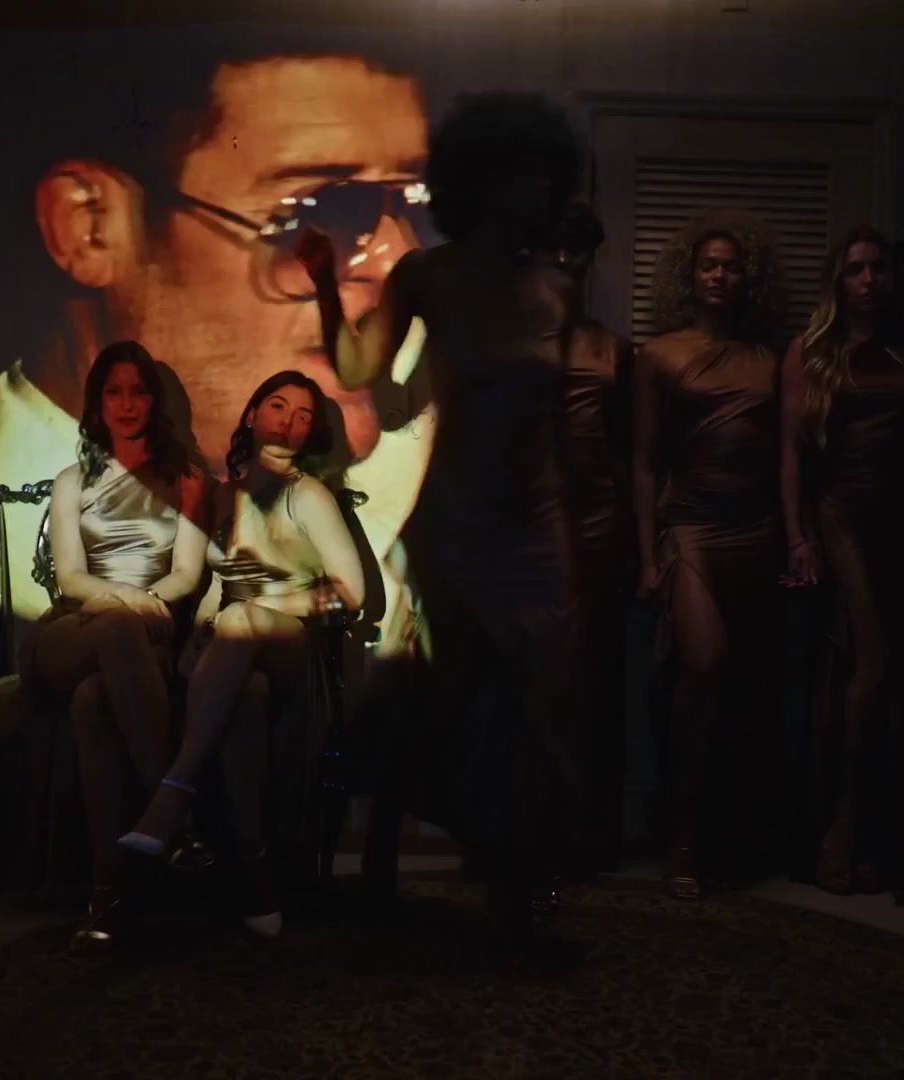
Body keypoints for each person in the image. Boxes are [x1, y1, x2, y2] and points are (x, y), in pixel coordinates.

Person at [0, 52, 435, 653]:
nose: (397, 260)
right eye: (327, 211)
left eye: (417, 204)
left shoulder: (335, 501)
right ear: (92, 228)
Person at [296, 91, 594, 942]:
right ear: (480, 179)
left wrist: (570, 532)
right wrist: (325, 286)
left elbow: (555, 427)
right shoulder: (429, 276)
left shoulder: (557, 287)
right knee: (451, 698)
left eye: (545, 176)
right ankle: (387, 840)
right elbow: (359, 368)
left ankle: (515, 890)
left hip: (534, 524)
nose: (536, 190)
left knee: (541, 705)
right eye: (519, 174)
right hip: (457, 522)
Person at [119, 371, 368, 940]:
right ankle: (254, 869)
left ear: (310, 433)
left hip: (293, 646)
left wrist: (266, 605)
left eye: (302, 416)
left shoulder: (308, 495)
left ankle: (173, 796)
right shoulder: (225, 494)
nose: (287, 421)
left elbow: (350, 593)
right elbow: (218, 584)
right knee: (246, 690)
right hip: (238, 652)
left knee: (241, 621)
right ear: (252, 415)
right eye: (277, 407)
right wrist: (198, 636)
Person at [781, 226, 904, 899]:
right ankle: (840, 824)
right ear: (838, 280)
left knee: (894, 680)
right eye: (856, 269)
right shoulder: (811, 353)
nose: (869, 280)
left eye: (879, 268)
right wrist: (797, 536)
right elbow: (791, 453)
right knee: (867, 664)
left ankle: (880, 840)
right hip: (841, 518)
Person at [29, 341, 207, 953]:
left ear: (153, 402)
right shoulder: (72, 481)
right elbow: (71, 580)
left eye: (138, 392)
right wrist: (130, 600)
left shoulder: (186, 478)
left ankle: (107, 892)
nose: (127, 404)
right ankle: (174, 817)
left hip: (147, 631)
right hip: (75, 629)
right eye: (114, 392)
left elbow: (187, 573)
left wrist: (148, 603)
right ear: (97, 403)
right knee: (111, 630)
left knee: (94, 702)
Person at [634, 209, 788, 900]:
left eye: (731, 266)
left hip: (756, 533)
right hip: (690, 529)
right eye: (709, 265)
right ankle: (681, 836)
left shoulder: (769, 360)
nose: (721, 275)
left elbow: (784, 456)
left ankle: (728, 836)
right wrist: (647, 554)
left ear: (746, 278)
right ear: (690, 276)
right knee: (703, 665)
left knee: (745, 691)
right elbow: (643, 462)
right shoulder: (659, 355)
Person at [535, 201, 635, 868]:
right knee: (527, 678)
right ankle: (519, 832)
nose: (568, 260)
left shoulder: (612, 349)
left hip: (598, 522)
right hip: (528, 526)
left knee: (593, 676)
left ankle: (586, 836)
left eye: (579, 250)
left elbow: (628, 450)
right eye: (556, 248)